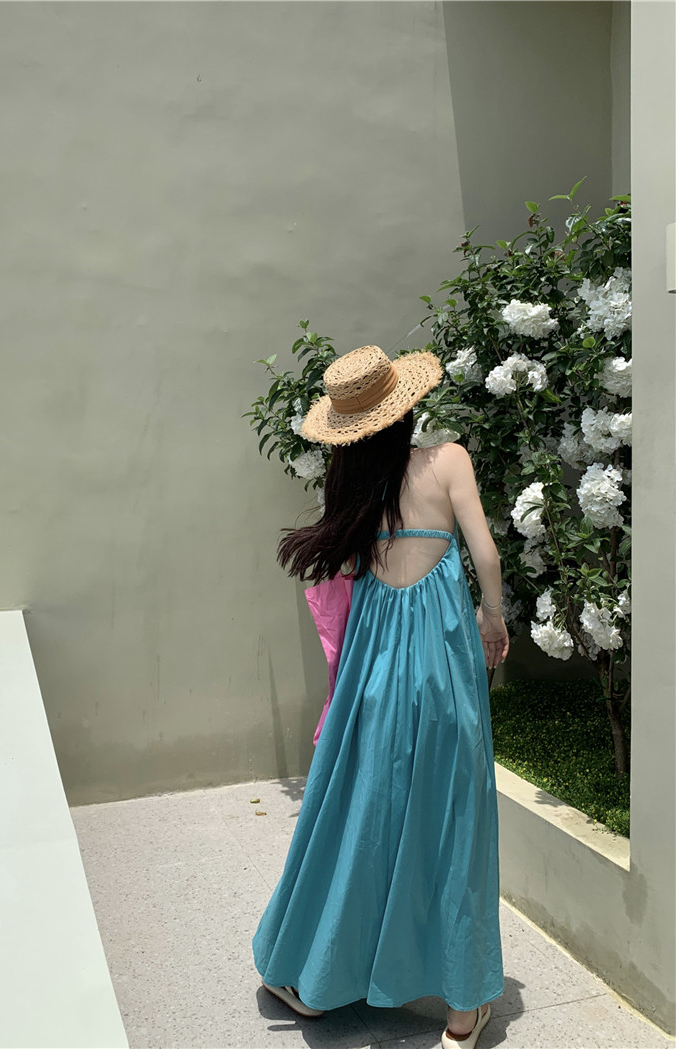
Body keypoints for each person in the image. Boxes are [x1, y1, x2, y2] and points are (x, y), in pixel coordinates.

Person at [253, 345, 510, 1049]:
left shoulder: (355, 491)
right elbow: (486, 554)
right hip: (442, 663)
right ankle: (462, 1013)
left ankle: (317, 978)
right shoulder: (448, 460)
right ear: (404, 407)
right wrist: (492, 617)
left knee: (360, 808)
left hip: (374, 666)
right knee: (454, 816)